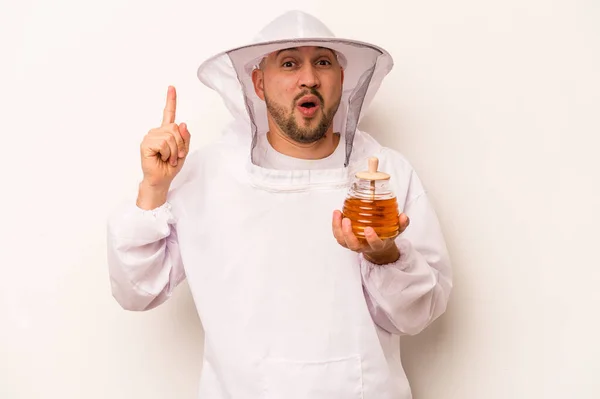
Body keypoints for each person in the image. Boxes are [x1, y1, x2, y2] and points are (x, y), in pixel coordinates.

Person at [106, 10, 452, 399]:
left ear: (342, 78)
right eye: (289, 63)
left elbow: (419, 314)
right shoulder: (207, 175)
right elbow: (136, 292)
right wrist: (153, 188)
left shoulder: (386, 175)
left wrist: (385, 255)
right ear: (258, 82)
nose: (309, 78)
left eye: (323, 62)